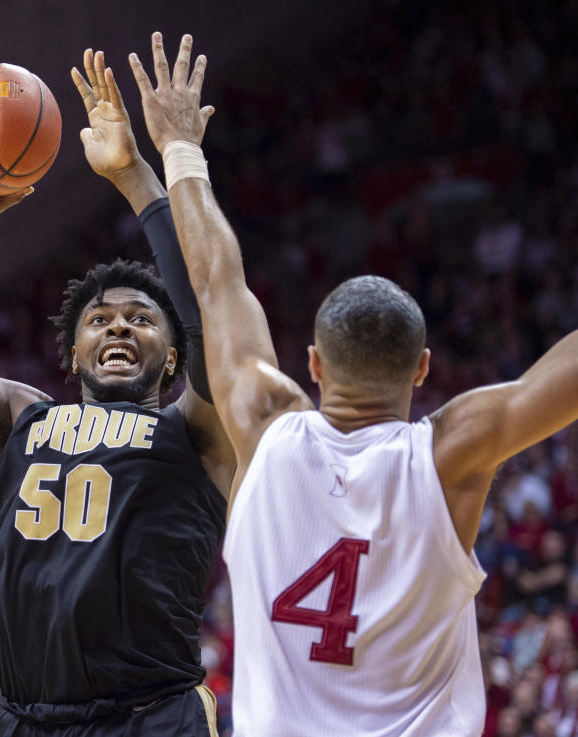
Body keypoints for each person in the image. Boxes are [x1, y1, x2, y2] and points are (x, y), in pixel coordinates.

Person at [127, 31, 578, 736]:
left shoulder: (262, 418)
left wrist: (179, 147)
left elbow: (218, 283)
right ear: (423, 367)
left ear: (311, 363)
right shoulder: (453, 452)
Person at [0, 48, 234, 736]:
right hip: (23, 719)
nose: (119, 323)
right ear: (73, 352)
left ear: (174, 352)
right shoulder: (16, 416)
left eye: (142, 318)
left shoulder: (198, 431)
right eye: (100, 319)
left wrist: (136, 174)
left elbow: (215, 322)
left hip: (150, 717)